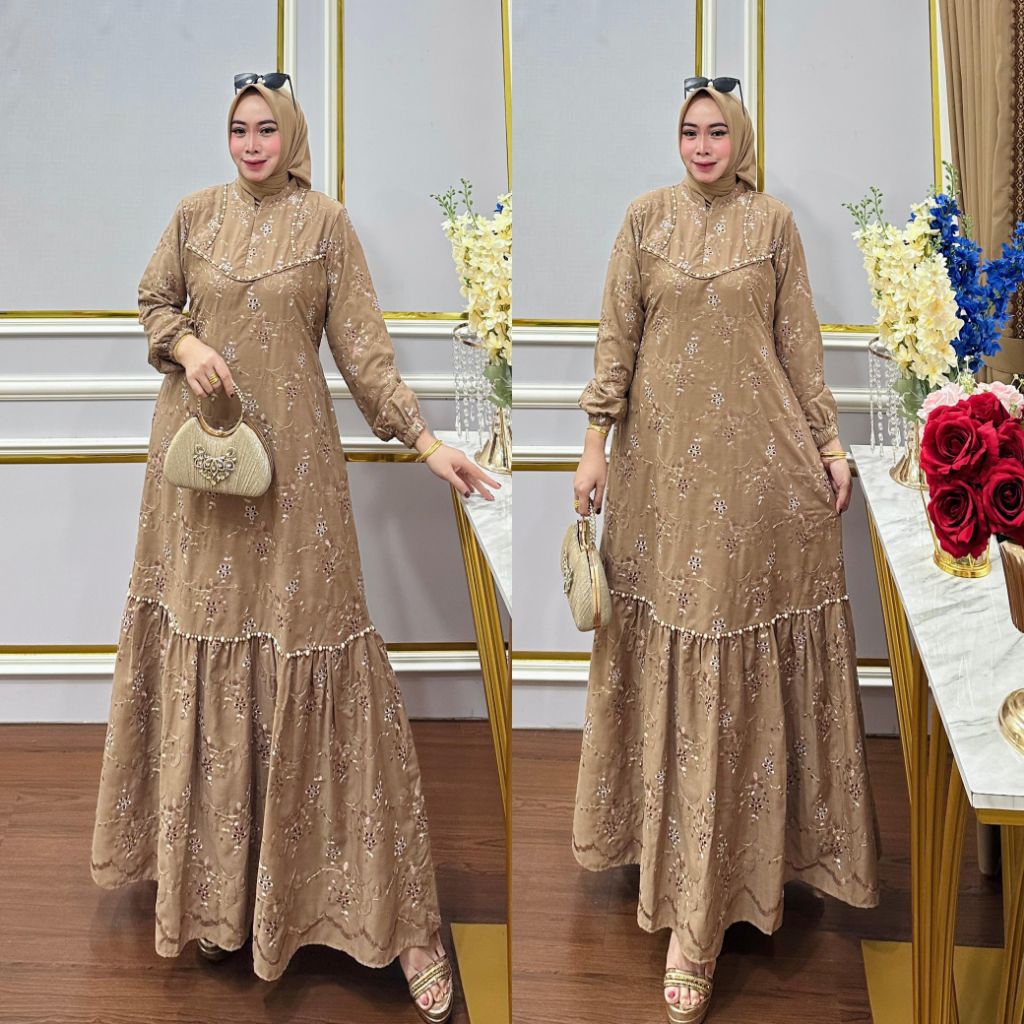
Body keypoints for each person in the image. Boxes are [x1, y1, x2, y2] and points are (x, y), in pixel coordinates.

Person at [89, 72, 498, 1022]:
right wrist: (186, 347)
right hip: (198, 475)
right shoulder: (194, 215)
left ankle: (399, 924)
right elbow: (153, 299)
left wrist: (427, 443)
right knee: (206, 647)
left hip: (296, 476)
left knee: (315, 650)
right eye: (239, 128)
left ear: (293, 135)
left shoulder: (326, 225)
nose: (251, 143)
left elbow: (364, 353)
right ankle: (215, 898)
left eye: (266, 128)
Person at [570, 78, 881, 1023]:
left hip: (757, 481)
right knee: (679, 651)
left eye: (717, 131)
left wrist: (829, 448)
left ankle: (723, 898)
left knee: (734, 655)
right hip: (661, 482)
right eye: (688, 131)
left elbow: (799, 348)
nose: (702, 145)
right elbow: (616, 340)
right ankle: (683, 892)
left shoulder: (774, 225)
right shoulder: (643, 221)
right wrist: (592, 445)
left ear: (739, 139)